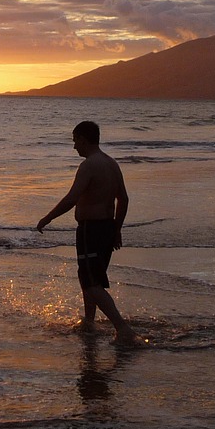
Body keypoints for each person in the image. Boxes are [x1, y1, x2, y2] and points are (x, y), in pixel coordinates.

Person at [36, 120, 137, 344]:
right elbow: (124, 199)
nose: (74, 147)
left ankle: (123, 329)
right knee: (90, 279)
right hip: (106, 228)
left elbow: (72, 198)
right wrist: (116, 229)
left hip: (90, 230)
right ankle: (89, 323)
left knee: (91, 283)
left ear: (83, 139)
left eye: (75, 141)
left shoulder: (89, 165)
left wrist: (47, 218)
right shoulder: (111, 163)